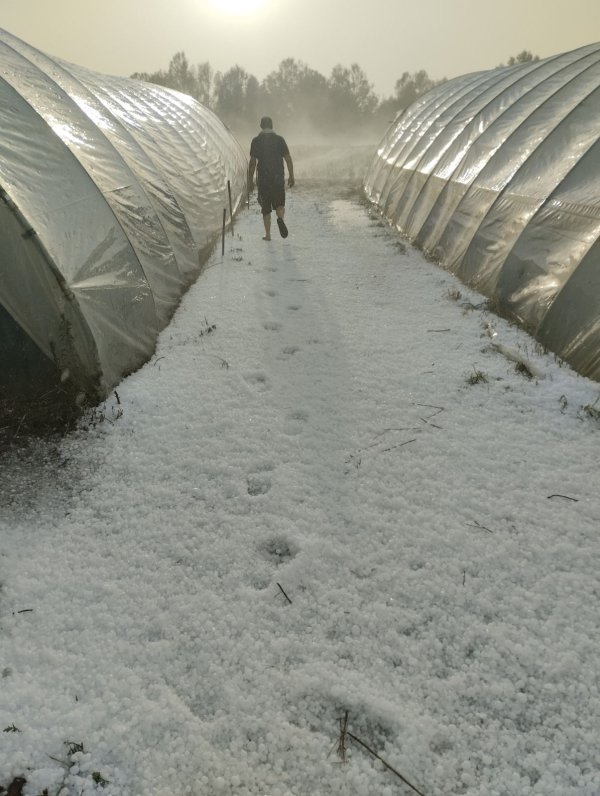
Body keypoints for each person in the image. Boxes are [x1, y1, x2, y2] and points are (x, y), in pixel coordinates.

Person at [248, 116, 295, 241]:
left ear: (261, 126)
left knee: (266, 208)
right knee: (279, 204)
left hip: (264, 179)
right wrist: (291, 176)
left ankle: (268, 234)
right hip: (278, 177)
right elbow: (288, 159)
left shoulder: (256, 141)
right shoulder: (280, 140)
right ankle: (280, 218)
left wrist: (250, 180)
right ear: (272, 126)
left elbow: (252, 163)